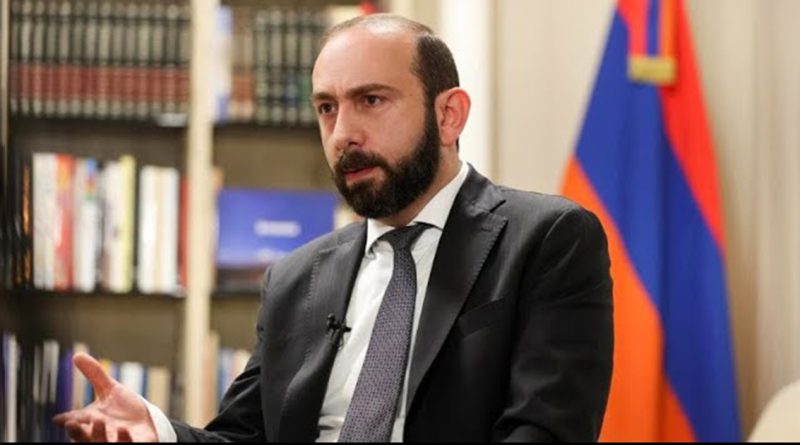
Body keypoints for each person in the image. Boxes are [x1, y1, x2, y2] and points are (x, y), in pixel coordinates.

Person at [54, 13, 613, 442]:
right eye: (326, 108)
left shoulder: (548, 240)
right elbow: (246, 437)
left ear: (449, 115)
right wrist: (162, 434)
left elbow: (545, 431)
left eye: (371, 100)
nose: (343, 133)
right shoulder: (294, 279)